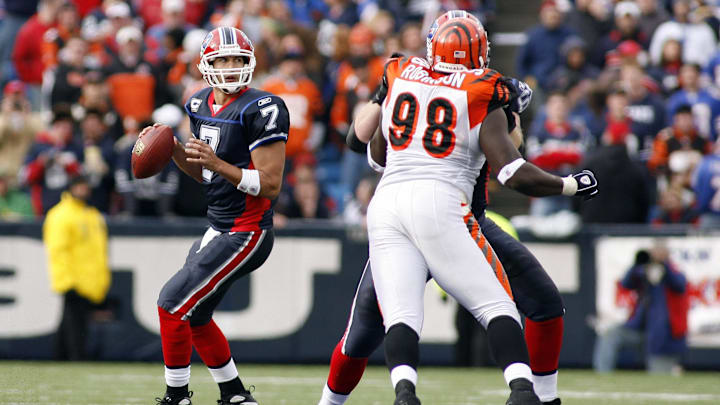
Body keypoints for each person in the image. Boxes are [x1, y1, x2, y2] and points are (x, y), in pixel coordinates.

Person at [328, 12, 598, 405]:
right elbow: (513, 161)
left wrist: (382, 91)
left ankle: (541, 397)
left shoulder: (403, 72)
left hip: (408, 207)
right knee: (367, 331)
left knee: (540, 300)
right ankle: (525, 391)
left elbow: (360, 143)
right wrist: (568, 182)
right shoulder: (484, 90)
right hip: (449, 210)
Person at [152, 26, 289, 405]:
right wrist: (176, 151)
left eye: (238, 60)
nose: (231, 67)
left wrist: (218, 162)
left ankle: (176, 396)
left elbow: (270, 184)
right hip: (218, 225)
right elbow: (206, 173)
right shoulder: (197, 104)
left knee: (172, 303)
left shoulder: (264, 107)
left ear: (251, 63)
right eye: (222, 59)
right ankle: (234, 394)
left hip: (248, 231)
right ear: (205, 65)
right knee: (194, 315)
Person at [43, 174, 111, 360]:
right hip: (74, 279)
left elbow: (99, 252)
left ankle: (61, 357)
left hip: (90, 280)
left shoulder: (92, 215)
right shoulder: (61, 214)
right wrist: (65, 280)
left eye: (85, 186)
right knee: (76, 327)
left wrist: (101, 281)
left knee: (71, 324)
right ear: (70, 188)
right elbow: (58, 250)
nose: (83, 190)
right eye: (79, 186)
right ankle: (74, 358)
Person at [593, 244, 688, 374]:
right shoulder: (644, 271)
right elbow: (626, 283)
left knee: (659, 376)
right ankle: (602, 375)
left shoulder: (674, 272)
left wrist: (663, 264)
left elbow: (679, 284)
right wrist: (637, 263)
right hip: (640, 330)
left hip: (663, 336)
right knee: (611, 334)